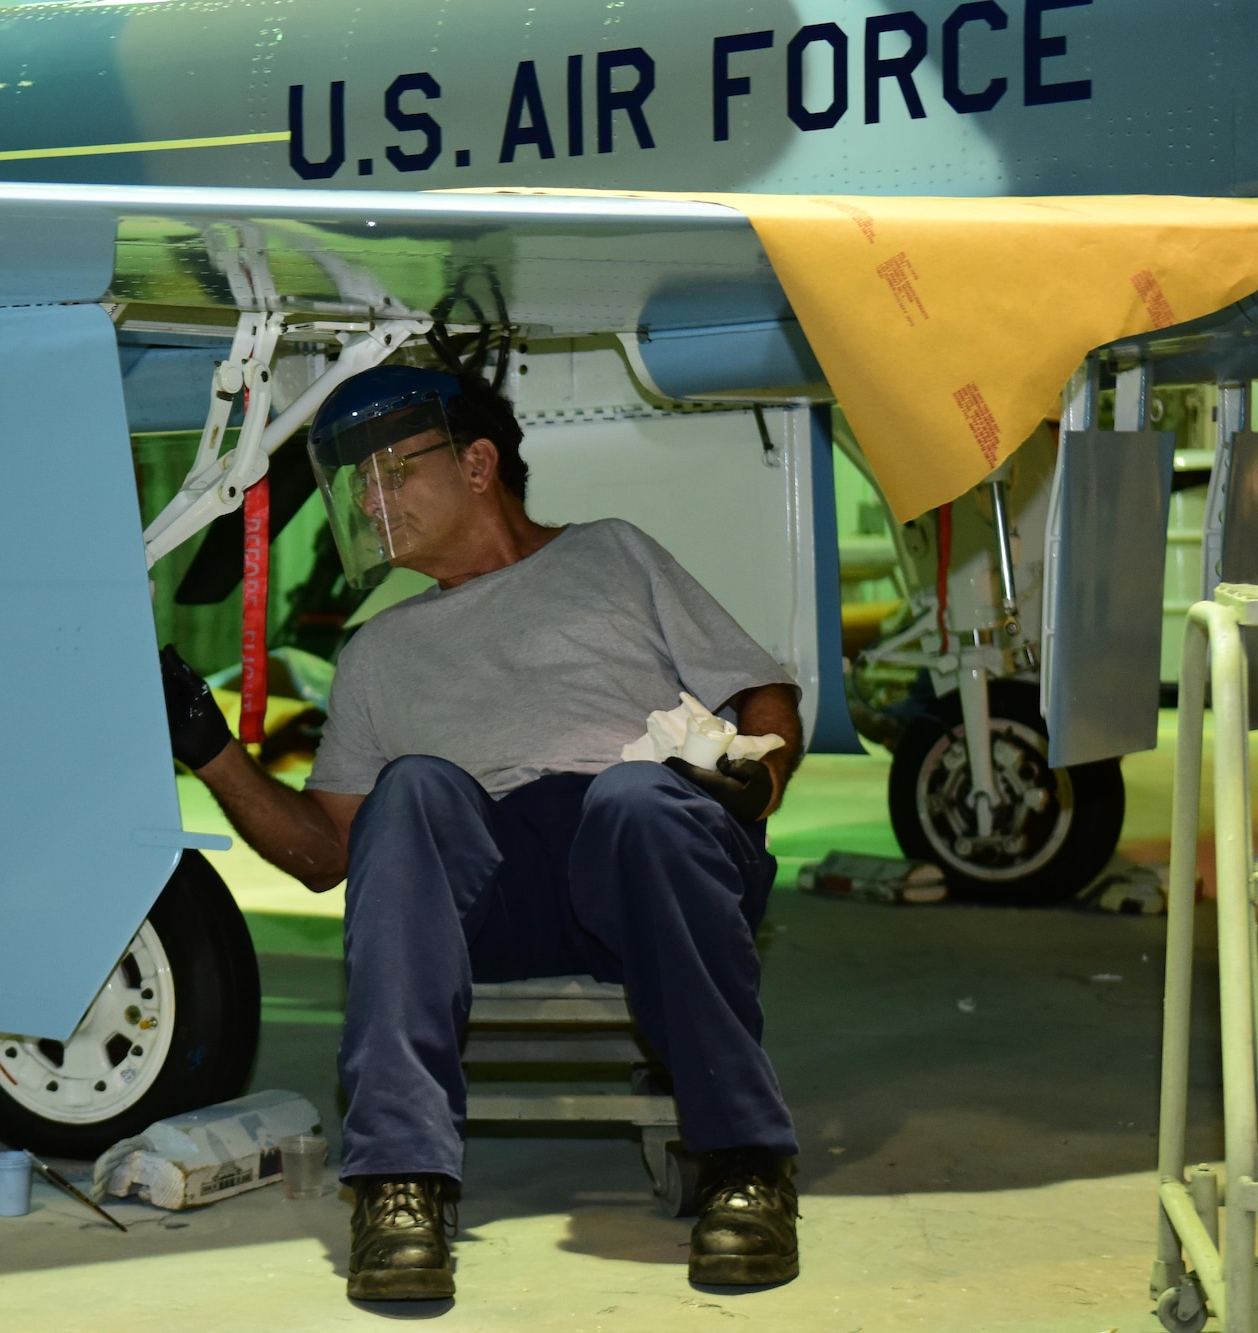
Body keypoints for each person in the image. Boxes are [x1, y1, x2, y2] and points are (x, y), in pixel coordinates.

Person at [159, 364, 803, 1302]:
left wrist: (761, 771)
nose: (371, 505)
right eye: (358, 487)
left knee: (633, 800)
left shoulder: (612, 554)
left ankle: (746, 1162)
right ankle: (399, 1184)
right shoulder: (376, 652)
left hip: (649, 855)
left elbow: (760, 688)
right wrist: (212, 749)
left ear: (476, 463)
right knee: (412, 788)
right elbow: (323, 851)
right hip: (496, 889)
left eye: (391, 474)